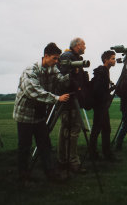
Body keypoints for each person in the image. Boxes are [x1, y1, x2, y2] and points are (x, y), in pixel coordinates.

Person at [13, 43, 70, 185]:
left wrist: (73, 72)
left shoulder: (53, 68)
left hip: (39, 115)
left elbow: (62, 80)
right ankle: (23, 176)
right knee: (24, 147)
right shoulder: (30, 70)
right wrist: (57, 98)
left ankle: (52, 175)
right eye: (54, 58)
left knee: (45, 146)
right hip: (25, 115)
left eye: (58, 59)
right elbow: (34, 92)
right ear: (46, 56)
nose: (56, 62)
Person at [57, 37, 88, 173]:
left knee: (65, 129)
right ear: (77, 46)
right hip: (70, 100)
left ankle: (62, 160)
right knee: (73, 130)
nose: (85, 47)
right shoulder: (68, 57)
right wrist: (79, 89)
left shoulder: (70, 56)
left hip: (68, 99)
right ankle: (73, 162)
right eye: (83, 45)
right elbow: (65, 79)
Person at [89, 50, 117, 161]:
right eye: (112, 58)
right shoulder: (103, 71)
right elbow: (98, 90)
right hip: (100, 105)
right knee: (100, 129)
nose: (114, 61)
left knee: (102, 128)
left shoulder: (104, 71)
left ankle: (97, 153)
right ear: (106, 60)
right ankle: (100, 153)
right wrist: (108, 94)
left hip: (100, 104)